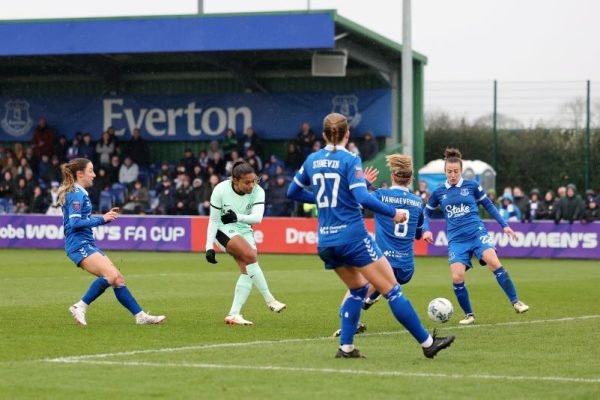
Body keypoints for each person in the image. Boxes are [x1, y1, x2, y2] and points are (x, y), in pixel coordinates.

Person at [287, 112, 454, 359]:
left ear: (323, 135)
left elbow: (293, 191)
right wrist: (394, 212)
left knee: (356, 290)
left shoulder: (312, 159)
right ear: (347, 134)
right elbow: (363, 198)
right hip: (352, 237)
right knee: (392, 290)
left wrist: (326, 201)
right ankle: (428, 343)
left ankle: (346, 348)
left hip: (326, 241)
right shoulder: (350, 159)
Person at [422, 148, 529, 326]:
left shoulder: (472, 186)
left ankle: (516, 302)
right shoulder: (439, 192)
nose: (453, 175)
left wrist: (505, 226)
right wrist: (426, 229)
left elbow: (489, 206)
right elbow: (426, 213)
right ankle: (469, 315)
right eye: (450, 172)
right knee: (457, 277)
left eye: (456, 171)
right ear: (445, 171)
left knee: (493, 261)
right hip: (456, 240)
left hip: (477, 234)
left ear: (461, 170)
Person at [58, 158, 166, 326]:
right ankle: (80, 306)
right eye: (90, 171)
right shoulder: (77, 194)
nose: (94, 175)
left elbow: (81, 220)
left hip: (86, 244)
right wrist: (102, 218)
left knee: (118, 279)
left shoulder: (79, 193)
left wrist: (104, 218)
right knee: (111, 275)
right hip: (78, 245)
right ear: (80, 174)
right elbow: (75, 223)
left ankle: (140, 316)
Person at [332, 155, 426, 337]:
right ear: (411, 178)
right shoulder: (418, 203)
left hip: (383, 264)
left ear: (392, 175)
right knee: (384, 287)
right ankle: (370, 299)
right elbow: (418, 235)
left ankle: (349, 328)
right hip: (406, 268)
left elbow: (354, 200)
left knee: (348, 302)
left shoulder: (380, 196)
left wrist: (364, 182)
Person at [204, 159, 286, 325]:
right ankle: (270, 300)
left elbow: (257, 218)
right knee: (250, 255)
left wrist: (237, 217)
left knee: (247, 270)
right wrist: (208, 246)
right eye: (247, 182)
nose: (251, 185)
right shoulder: (220, 189)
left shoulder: (258, 191)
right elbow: (213, 220)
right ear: (235, 180)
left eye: (254, 181)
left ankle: (234, 314)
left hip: (244, 229)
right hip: (223, 229)